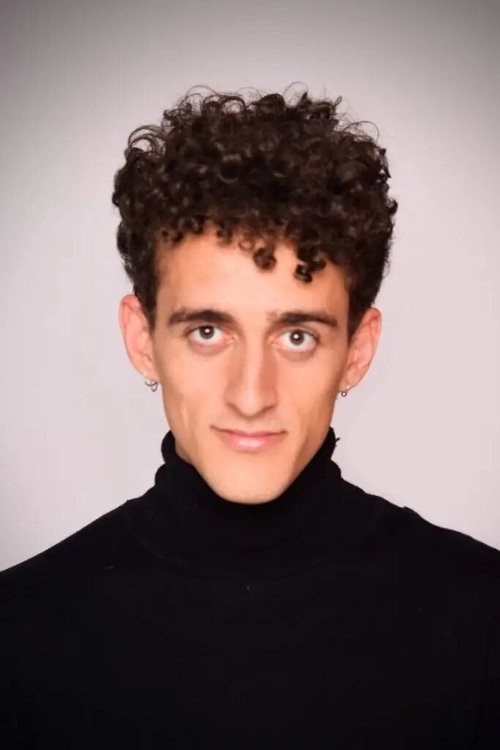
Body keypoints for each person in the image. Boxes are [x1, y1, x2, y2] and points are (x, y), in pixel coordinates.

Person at [1, 87, 499, 748]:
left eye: (297, 336)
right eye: (208, 331)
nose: (251, 394)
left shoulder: (484, 618)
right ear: (143, 341)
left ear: (356, 352)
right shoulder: (18, 633)